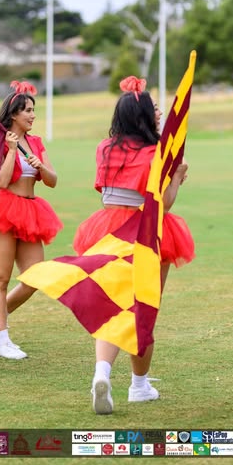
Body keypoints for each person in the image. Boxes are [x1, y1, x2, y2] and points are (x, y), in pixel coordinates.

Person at [72, 76, 195, 414]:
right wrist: (177, 175)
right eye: (153, 108)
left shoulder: (103, 147)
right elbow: (164, 203)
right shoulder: (157, 154)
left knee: (111, 307)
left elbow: (103, 188)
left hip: (106, 228)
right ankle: (139, 386)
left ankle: (102, 373)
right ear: (143, 116)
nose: (158, 113)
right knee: (143, 308)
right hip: (146, 232)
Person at [0, 80, 62, 359]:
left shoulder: (36, 143)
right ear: (14, 114)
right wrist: (11, 151)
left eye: (33, 110)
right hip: (3, 210)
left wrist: (40, 166)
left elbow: (52, 180)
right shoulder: (0, 140)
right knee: (0, 278)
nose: (32, 115)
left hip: (31, 210)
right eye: (27, 110)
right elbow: (1, 182)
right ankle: (3, 340)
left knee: (36, 277)